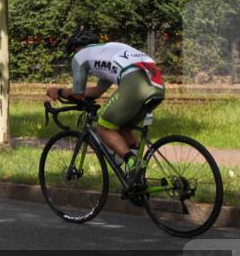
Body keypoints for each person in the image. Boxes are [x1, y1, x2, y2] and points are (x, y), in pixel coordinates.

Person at [47, 31, 165, 171]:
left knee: (103, 128)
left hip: (135, 83)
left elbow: (78, 94)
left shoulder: (80, 56)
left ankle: (133, 163)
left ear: (75, 48)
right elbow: (97, 91)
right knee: (123, 128)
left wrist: (59, 91)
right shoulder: (108, 52)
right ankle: (135, 177)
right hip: (157, 86)